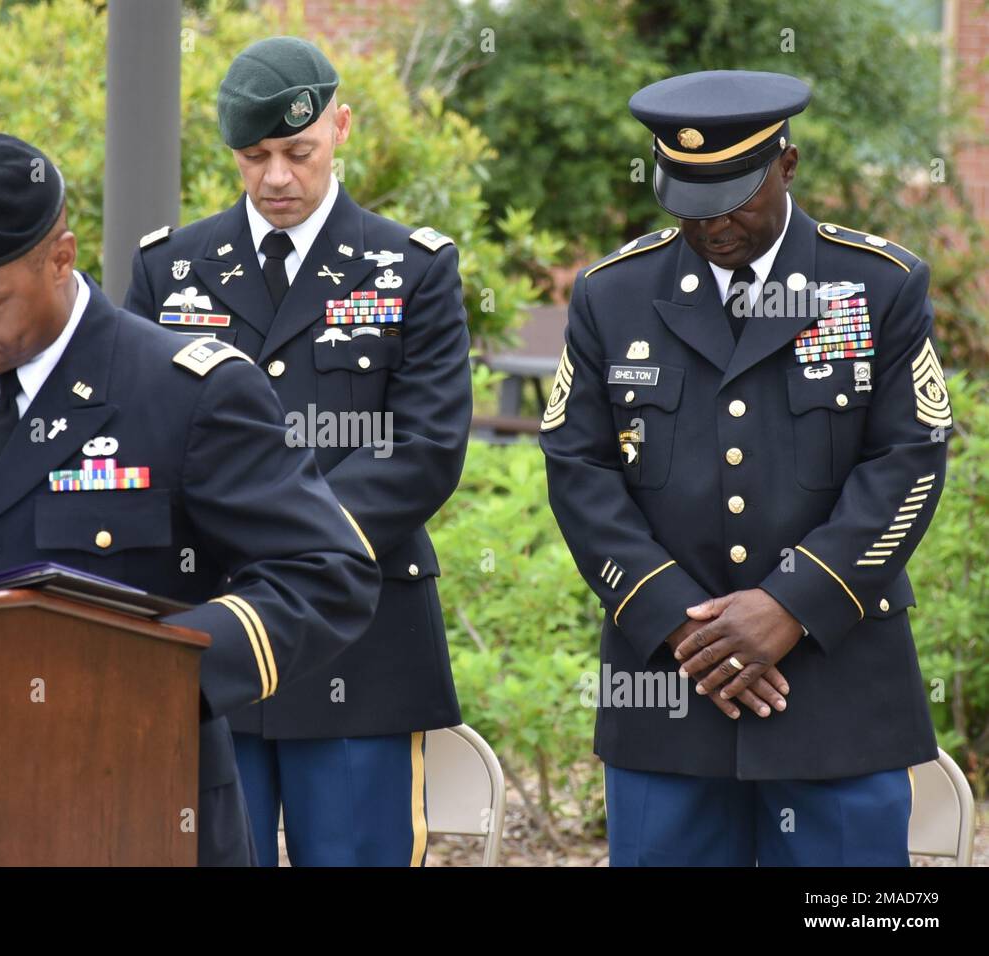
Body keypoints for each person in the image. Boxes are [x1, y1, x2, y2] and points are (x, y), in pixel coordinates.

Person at [0, 132, 380, 866]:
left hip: (137, 804)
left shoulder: (187, 392)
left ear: (60, 258)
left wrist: (149, 675)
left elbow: (327, 571)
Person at [540, 70, 950, 865]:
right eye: (689, 204)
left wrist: (792, 604)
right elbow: (577, 469)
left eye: (734, 200)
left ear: (787, 167)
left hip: (835, 685)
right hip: (668, 687)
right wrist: (679, 622)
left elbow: (908, 461)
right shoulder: (611, 294)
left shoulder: (875, 287)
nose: (714, 227)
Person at [125, 36, 472, 866]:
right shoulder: (169, 269)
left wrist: (297, 546)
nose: (277, 177)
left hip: (359, 629)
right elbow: (139, 437)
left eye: (298, 151)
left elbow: (424, 446)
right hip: (211, 630)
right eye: (254, 156)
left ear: (341, 127)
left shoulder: (410, 269)